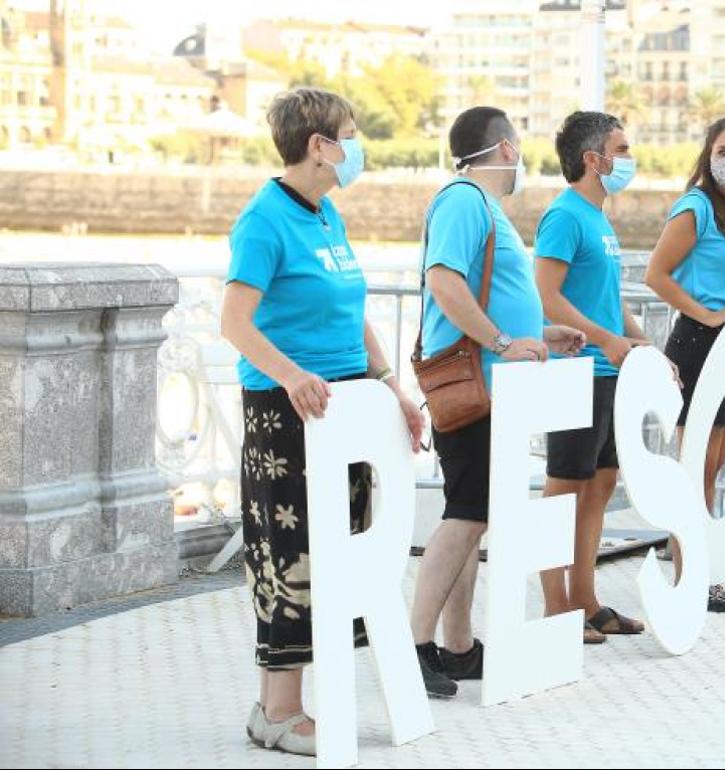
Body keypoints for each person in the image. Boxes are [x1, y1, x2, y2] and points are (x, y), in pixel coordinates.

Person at [220, 87, 426, 755]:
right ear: (319, 145)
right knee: (293, 558)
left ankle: (283, 706)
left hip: (349, 409)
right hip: (291, 414)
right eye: (352, 131)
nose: (357, 144)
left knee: (344, 557)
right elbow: (234, 322)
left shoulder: (326, 214)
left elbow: (351, 309)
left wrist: (391, 382)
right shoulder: (264, 220)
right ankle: (279, 713)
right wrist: (290, 375)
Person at [408, 106, 586, 697]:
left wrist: (537, 330)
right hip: (475, 385)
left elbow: (487, 290)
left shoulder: (479, 206)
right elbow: (445, 281)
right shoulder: (464, 200)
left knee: (474, 514)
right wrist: (503, 341)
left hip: (492, 381)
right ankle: (414, 645)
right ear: (506, 149)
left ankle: (457, 644)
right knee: (463, 515)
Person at [535, 111, 655, 643]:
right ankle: (556, 606)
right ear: (594, 159)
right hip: (573, 370)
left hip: (606, 371)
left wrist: (640, 342)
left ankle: (586, 600)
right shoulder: (564, 217)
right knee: (565, 486)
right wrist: (605, 341)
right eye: (621, 149)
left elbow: (606, 304)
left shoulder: (597, 218)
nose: (628, 159)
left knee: (602, 483)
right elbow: (548, 295)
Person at [644, 115, 725, 614]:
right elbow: (658, 274)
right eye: (723, 151)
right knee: (692, 469)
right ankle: (688, 578)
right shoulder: (696, 206)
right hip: (699, 345)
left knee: (713, 469)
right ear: (707, 154)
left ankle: (700, 572)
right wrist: (709, 314)